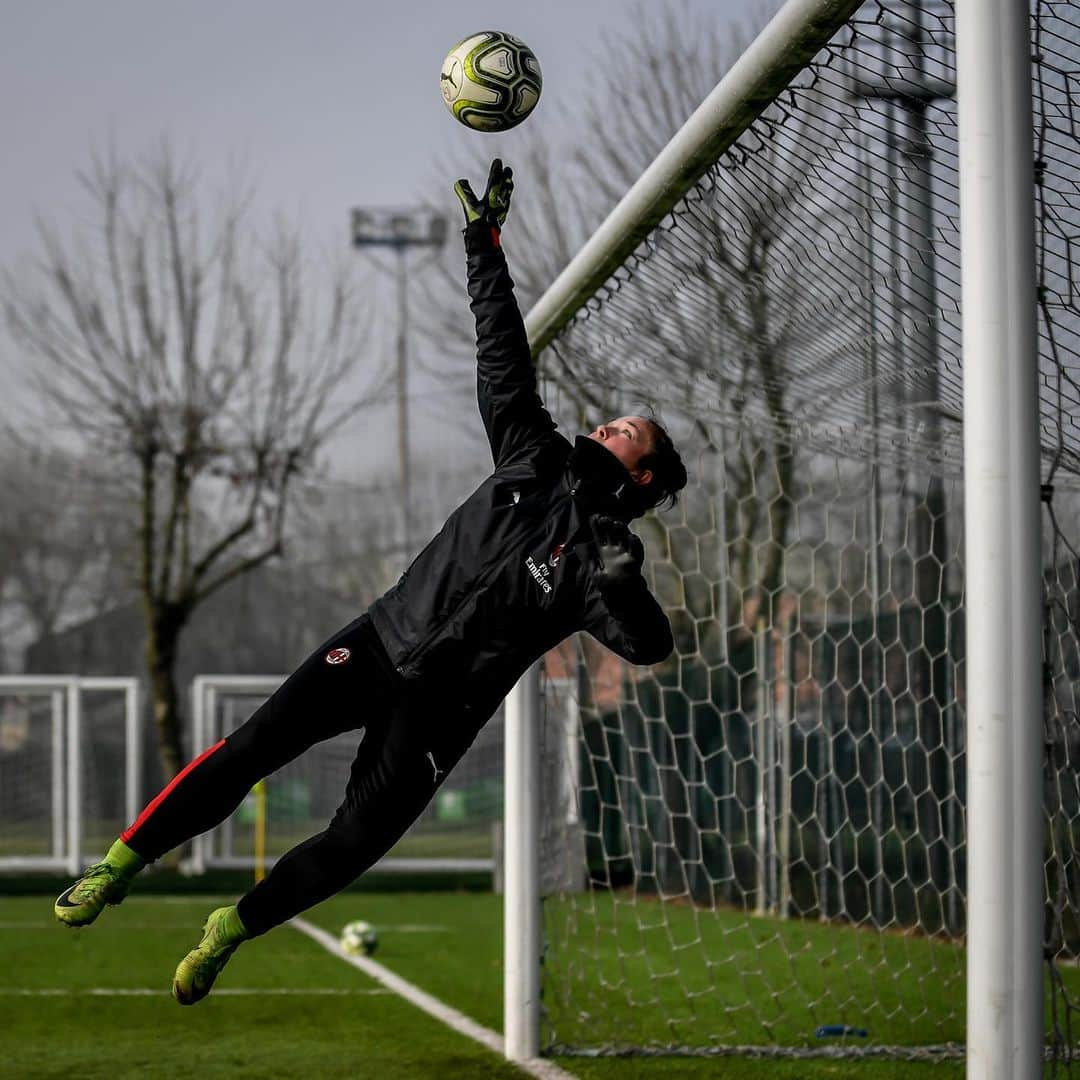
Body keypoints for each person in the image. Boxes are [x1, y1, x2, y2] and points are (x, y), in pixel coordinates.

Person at [53, 160, 688, 1005]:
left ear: (641, 479)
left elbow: (650, 645)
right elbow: (501, 352)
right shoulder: (532, 452)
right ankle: (115, 868)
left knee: (351, 842)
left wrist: (622, 576)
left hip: (439, 713)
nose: (607, 426)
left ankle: (228, 930)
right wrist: (482, 245)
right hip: (379, 641)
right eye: (612, 420)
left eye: (626, 434)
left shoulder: (606, 560)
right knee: (248, 750)